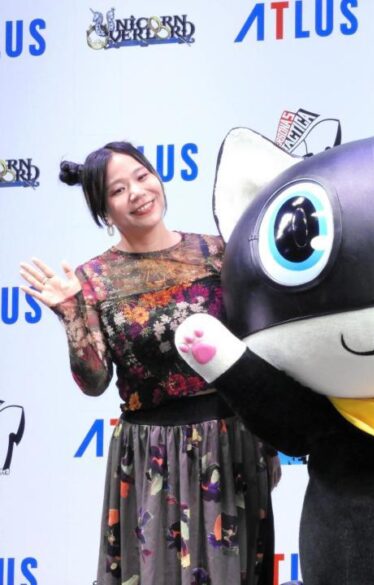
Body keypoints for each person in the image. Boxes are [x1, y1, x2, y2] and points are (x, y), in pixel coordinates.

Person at [20, 142, 279, 585]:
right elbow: (94, 381)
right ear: (104, 211)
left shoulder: (218, 251)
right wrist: (71, 315)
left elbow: (257, 342)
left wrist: (269, 436)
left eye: (142, 177)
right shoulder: (92, 280)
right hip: (153, 453)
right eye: (118, 190)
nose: (137, 193)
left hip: (231, 441)